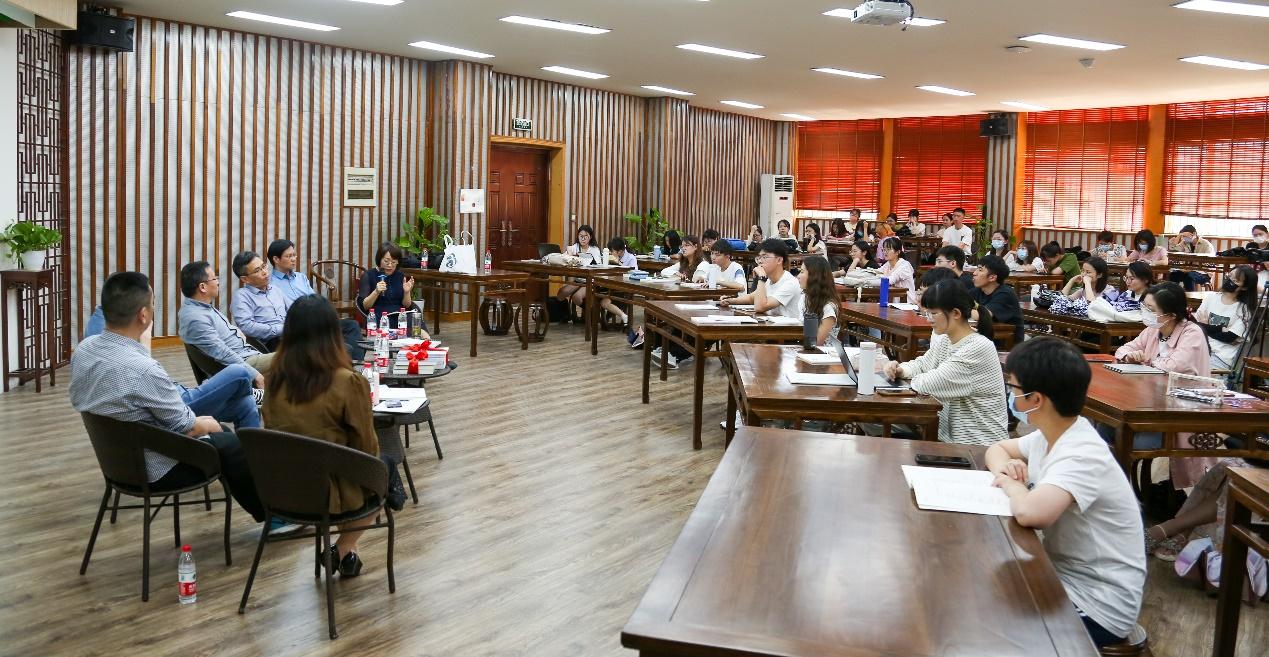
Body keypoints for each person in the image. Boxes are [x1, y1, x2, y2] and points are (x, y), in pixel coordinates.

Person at [70, 272, 269, 527]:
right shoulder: (143, 369)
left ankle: (264, 488)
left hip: (117, 459)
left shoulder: (85, 349)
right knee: (229, 440)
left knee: (242, 407)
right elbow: (188, 427)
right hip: (157, 466)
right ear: (144, 315)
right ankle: (271, 514)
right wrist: (210, 424)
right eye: (153, 305)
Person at [986, 336, 1146, 648]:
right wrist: (1006, 468)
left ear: (1036, 399)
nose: (1010, 395)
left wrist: (1011, 485)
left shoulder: (1082, 452)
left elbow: (1031, 513)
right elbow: (997, 449)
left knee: (989, 617)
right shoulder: (1050, 435)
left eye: (1014, 388)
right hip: (1064, 576)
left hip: (1099, 604)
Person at [261, 295, 382, 576]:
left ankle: (350, 554)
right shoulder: (347, 382)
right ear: (333, 334)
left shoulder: (273, 379)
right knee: (385, 474)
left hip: (283, 489)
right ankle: (342, 548)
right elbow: (366, 449)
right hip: (329, 495)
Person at [1112, 282, 1217, 488]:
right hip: (1150, 403)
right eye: (1144, 306)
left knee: (1123, 438)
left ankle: (1124, 491)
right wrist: (1129, 356)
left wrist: (1144, 359)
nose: (1145, 312)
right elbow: (1123, 349)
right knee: (1106, 427)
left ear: (1170, 315)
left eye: (1151, 309)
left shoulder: (1191, 333)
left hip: (1181, 413)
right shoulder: (1153, 329)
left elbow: (1173, 366)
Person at [880, 280, 1008, 445]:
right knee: (877, 425)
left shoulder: (978, 348)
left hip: (976, 446)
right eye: (927, 313)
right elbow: (921, 364)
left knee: (884, 435)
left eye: (933, 313)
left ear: (956, 313)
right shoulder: (947, 340)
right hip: (946, 437)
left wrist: (911, 377)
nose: (928, 319)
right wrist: (900, 369)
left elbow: (930, 384)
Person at [178, 261, 273, 386]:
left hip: (246, 355)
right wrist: (254, 375)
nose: (218, 282)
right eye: (214, 278)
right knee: (293, 357)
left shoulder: (199, 307)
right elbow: (221, 353)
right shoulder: (196, 318)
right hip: (243, 364)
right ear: (202, 287)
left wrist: (236, 331)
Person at [1195, 265, 1258, 372]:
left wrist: (1205, 326)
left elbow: (1229, 337)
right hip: (1199, 348)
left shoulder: (1244, 310)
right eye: (1230, 276)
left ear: (1244, 287)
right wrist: (1219, 329)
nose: (1229, 280)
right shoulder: (1210, 298)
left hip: (1221, 357)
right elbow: (1196, 325)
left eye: (1236, 280)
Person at [721, 238, 803, 319]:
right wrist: (730, 300)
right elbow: (751, 298)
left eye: (765, 257)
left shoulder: (790, 283)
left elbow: (760, 307)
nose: (760, 261)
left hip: (788, 327)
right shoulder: (769, 281)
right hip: (771, 325)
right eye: (759, 258)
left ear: (779, 260)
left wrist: (761, 278)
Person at [230, 251, 288, 351]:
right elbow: (247, 326)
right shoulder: (241, 296)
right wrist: (281, 329)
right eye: (257, 270)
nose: (265, 272)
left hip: (290, 335)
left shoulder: (275, 290)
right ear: (245, 279)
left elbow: (293, 310)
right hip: (270, 343)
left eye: (264, 266)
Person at [357, 242, 415, 327]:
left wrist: (406, 292)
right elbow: (364, 306)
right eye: (386, 261)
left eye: (394, 262)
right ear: (379, 259)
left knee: (417, 322)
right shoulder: (368, 275)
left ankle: (425, 336)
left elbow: (407, 305)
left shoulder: (400, 276)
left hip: (400, 316)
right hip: (379, 317)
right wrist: (376, 292)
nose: (390, 265)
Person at [971, 255, 1024, 344]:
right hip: (987, 338)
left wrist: (963, 309)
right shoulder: (977, 291)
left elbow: (981, 315)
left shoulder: (1005, 294)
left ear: (992, 277)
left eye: (980, 270)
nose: (974, 273)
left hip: (1007, 344)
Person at [555, 225, 602, 315]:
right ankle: (566, 315)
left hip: (590, 281)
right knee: (562, 292)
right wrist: (569, 256)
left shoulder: (594, 249)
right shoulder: (575, 247)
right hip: (578, 280)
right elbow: (563, 257)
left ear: (590, 237)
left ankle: (592, 314)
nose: (583, 239)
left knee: (577, 297)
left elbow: (598, 266)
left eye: (586, 236)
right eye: (581, 236)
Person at [796, 256, 840, 346]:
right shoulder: (804, 298)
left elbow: (816, 342)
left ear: (814, 276)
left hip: (822, 353)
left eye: (802, 272)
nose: (798, 276)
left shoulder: (828, 307)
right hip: (805, 347)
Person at [601, 237, 639, 325]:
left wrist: (619, 264)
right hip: (611, 286)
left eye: (612, 251)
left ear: (620, 251)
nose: (611, 253)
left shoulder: (631, 258)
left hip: (623, 289)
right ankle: (605, 318)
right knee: (597, 295)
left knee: (604, 301)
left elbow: (634, 275)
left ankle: (622, 316)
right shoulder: (612, 257)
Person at [876, 237, 915, 302]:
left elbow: (890, 280)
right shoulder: (887, 264)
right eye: (884, 249)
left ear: (897, 252)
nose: (885, 252)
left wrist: (868, 281)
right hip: (892, 303)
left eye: (888, 249)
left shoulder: (904, 265)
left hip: (906, 303)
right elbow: (876, 272)